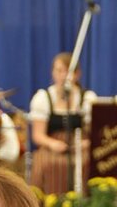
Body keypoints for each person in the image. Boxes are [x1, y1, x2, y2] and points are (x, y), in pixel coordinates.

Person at [29, 52, 97, 195]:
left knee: (88, 162)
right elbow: (38, 135)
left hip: (80, 145)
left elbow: (95, 132)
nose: (63, 76)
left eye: (68, 71)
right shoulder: (44, 98)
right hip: (52, 146)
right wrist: (52, 144)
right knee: (46, 163)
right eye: (59, 71)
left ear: (77, 74)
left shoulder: (86, 98)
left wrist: (87, 143)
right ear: (53, 73)